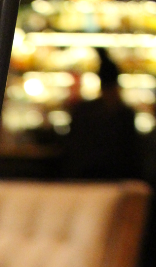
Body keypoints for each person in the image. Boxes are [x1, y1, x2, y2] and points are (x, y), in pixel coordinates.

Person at [61, 48, 142, 180]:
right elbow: (132, 153)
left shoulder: (84, 110)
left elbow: (73, 148)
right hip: (115, 177)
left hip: (86, 177)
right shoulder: (124, 113)